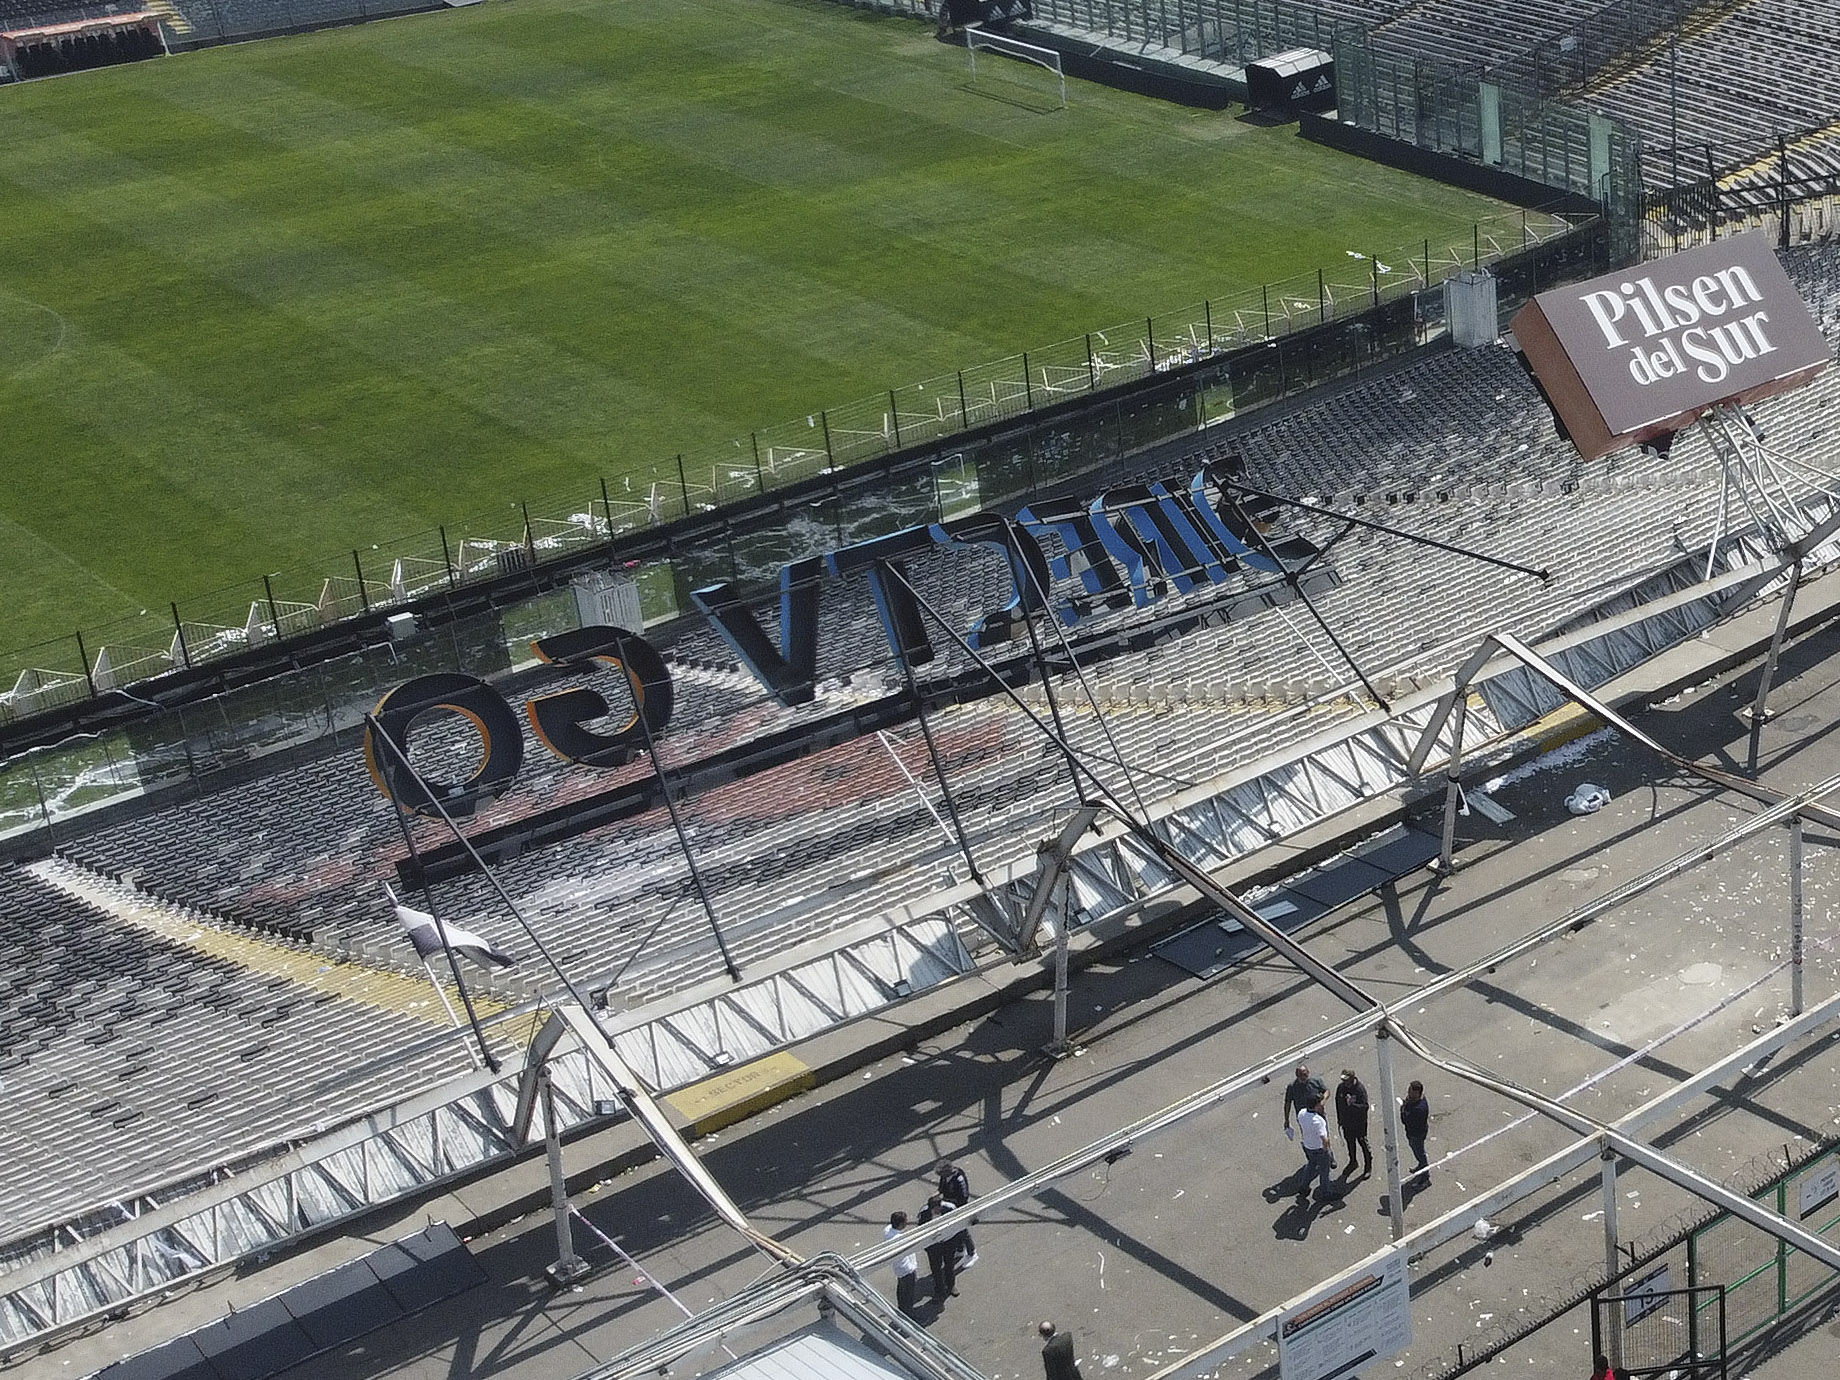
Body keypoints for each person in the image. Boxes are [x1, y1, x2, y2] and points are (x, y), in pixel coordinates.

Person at [1282, 1064, 1327, 1180]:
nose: (1305, 1076)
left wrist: (1323, 1101)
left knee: (1324, 1135)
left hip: (1319, 1115)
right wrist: (1286, 1119)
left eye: (1306, 1073)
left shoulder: (1315, 1081)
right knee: (1308, 1137)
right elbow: (1287, 1103)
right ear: (1297, 1075)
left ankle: (1329, 1157)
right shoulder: (1292, 1087)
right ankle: (1313, 1159)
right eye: (1302, 1075)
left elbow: (1326, 1091)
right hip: (1305, 1118)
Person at [1334, 1069, 1374, 1177]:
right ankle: (1353, 1162)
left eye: (1346, 1080)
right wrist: (1340, 1119)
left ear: (1352, 1079)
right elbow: (1338, 1103)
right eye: (1343, 1080)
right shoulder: (1341, 1088)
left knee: (1363, 1143)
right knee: (1350, 1143)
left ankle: (1368, 1165)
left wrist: (1352, 1105)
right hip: (1347, 1123)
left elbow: (1365, 1107)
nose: (1344, 1082)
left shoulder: (1359, 1090)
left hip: (1359, 1123)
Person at [1296, 1093, 1334, 1204]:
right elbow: (1324, 1138)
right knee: (1324, 1171)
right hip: (1319, 1148)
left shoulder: (1301, 1113)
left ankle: (1304, 1186)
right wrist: (1326, 1149)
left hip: (1308, 1146)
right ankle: (1325, 1192)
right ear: (1317, 1105)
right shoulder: (1318, 1121)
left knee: (1311, 1165)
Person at [919, 1192, 957, 1300]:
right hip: (933, 1246)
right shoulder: (924, 1213)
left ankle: (951, 1285)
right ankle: (939, 1289)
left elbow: (957, 1223)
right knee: (936, 1268)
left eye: (939, 1207)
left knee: (949, 1265)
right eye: (935, 1209)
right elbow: (920, 1231)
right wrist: (927, 1246)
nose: (938, 1210)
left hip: (948, 1242)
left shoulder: (950, 1208)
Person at [937, 1159, 976, 1263]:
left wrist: (946, 1201)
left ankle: (972, 1253)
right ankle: (960, 1249)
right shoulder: (944, 1177)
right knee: (954, 1230)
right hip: (949, 1207)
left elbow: (963, 1197)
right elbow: (941, 1188)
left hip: (959, 1207)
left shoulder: (959, 1179)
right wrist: (937, 1194)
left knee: (963, 1231)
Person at [884, 1210, 919, 1317]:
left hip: (898, 1270)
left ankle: (901, 1308)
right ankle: (909, 1314)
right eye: (905, 1222)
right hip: (906, 1270)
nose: (906, 1223)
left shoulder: (887, 1231)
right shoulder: (898, 1240)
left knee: (901, 1289)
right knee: (908, 1293)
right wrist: (912, 1269)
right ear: (900, 1224)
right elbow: (902, 1260)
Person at [1401, 1079, 1431, 1176]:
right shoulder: (1415, 1100)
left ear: (1417, 1093)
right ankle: (1420, 1165)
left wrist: (1403, 1108)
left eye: (1411, 1091)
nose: (1408, 1093)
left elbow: (1405, 1120)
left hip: (1417, 1134)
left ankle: (1425, 1177)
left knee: (1420, 1153)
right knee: (1416, 1151)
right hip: (1413, 1132)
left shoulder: (1419, 1109)